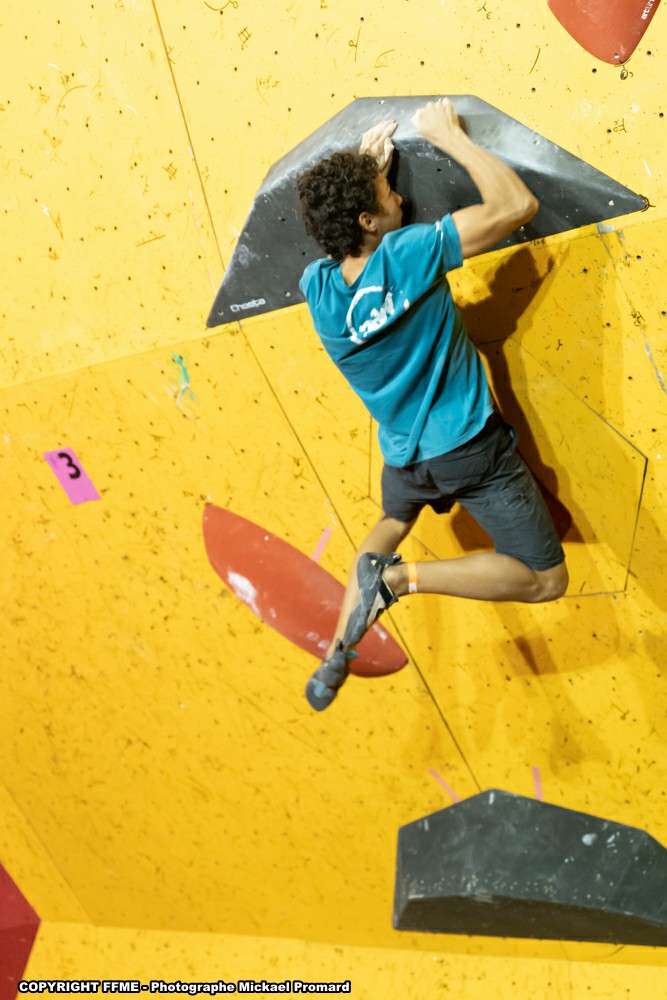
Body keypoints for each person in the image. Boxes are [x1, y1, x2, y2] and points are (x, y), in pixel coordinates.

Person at [296, 98, 568, 711]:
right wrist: (449, 137)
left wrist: (364, 175)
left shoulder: (319, 293)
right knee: (546, 579)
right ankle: (399, 580)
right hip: (468, 448)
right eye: (386, 193)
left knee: (391, 522)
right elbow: (516, 206)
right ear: (368, 221)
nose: (399, 195)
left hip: (406, 462)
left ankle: (337, 652)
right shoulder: (407, 255)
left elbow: (349, 252)